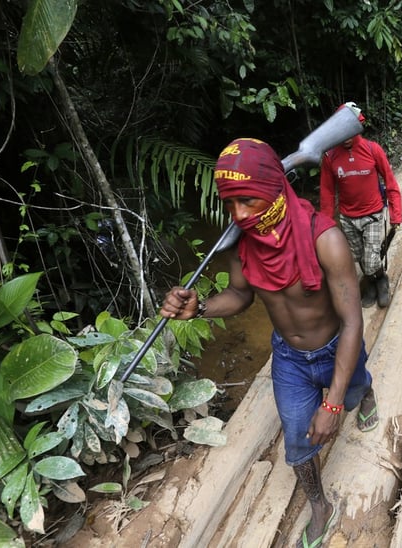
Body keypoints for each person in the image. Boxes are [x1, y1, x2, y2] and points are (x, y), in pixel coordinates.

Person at [159, 138, 379, 548]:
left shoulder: (325, 238)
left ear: (274, 189)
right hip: (290, 358)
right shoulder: (243, 242)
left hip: (336, 345)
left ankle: (364, 393)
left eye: (248, 200)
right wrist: (199, 307)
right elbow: (240, 295)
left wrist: (332, 405)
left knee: (353, 391)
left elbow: (353, 322)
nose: (239, 214)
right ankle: (319, 505)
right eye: (230, 204)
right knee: (297, 439)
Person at [320, 103, 402, 309]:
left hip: (372, 214)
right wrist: (325, 225)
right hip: (348, 217)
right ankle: (372, 284)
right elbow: (327, 192)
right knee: (358, 257)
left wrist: (396, 213)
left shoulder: (372, 149)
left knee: (371, 258)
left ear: (359, 126)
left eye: (351, 129)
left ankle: (381, 279)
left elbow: (390, 181)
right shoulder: (330, 156)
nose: (346, 135)